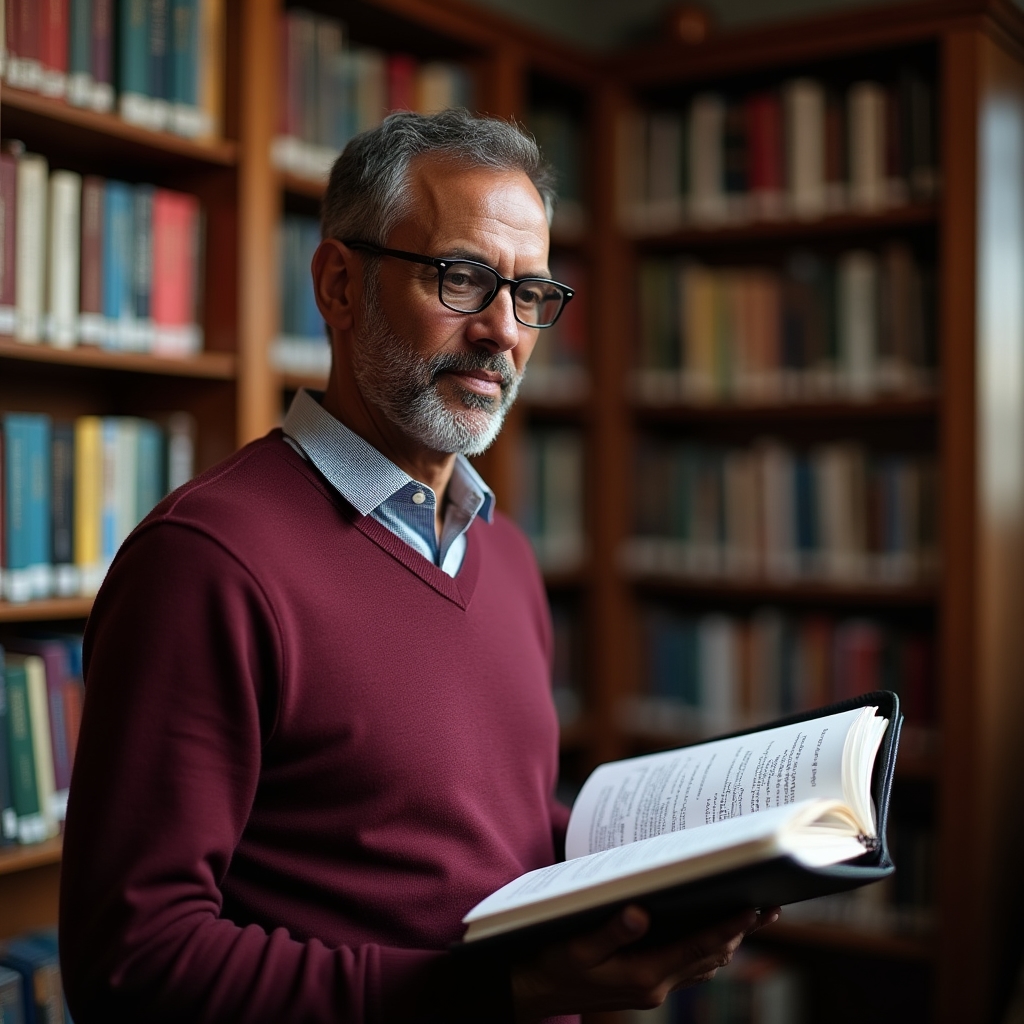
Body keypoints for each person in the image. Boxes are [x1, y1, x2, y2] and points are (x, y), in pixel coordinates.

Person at [59, 109, 774, 1024]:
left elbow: (475, 834)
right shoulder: (206, 564)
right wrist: (496, 992)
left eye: (530, 294)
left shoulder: (505, 553)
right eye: (463, 278)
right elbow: (134, 968)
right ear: (339, 284)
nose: (502, 332)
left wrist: (667, 882)